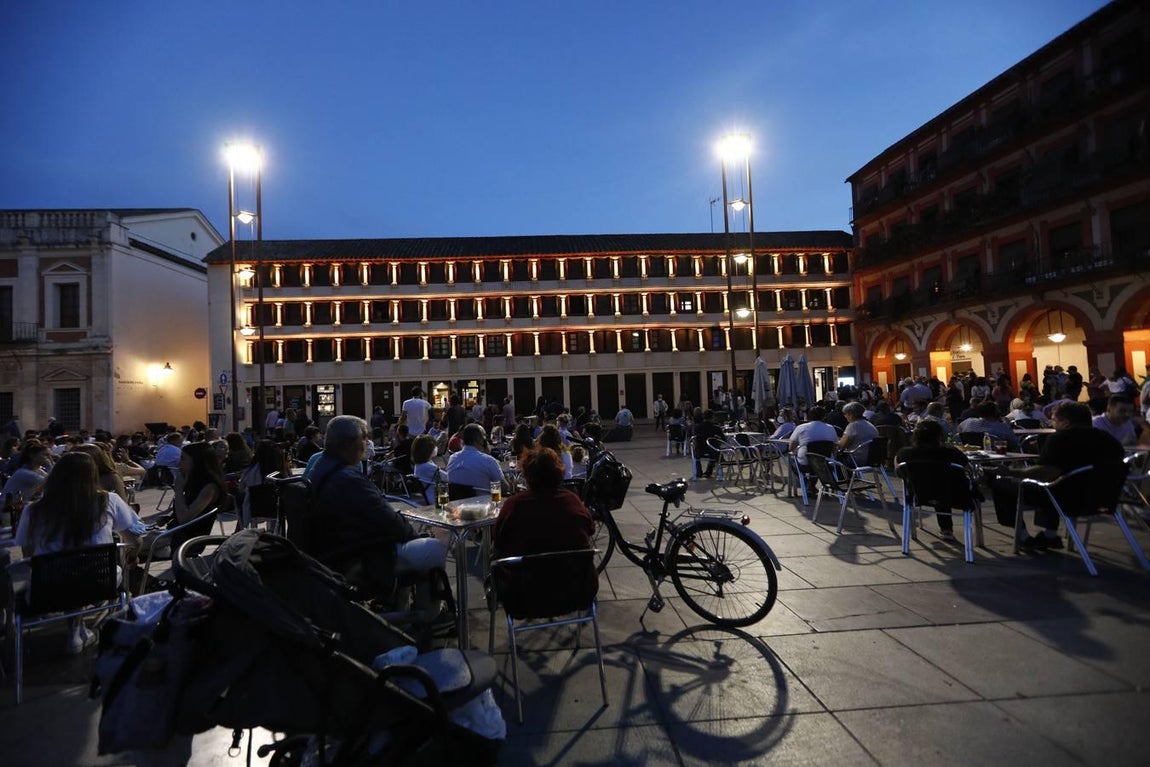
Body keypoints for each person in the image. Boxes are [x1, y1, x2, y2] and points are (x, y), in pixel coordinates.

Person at [13, 451, 145, 653]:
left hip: (48, 589)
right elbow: (135, 539)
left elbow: (29, 555)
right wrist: (132, 556)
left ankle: (75, 628)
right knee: (84, 573)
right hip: (99, 582)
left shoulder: (33, 510)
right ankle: (78, 629)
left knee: (64, 573)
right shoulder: (108, 501)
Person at [308, 416, 447, 598]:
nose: (367, 444)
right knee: (433, 547)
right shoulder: (349, 479)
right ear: (350, 444)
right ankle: (430, 612)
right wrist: (414, 536)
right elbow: (389, 521)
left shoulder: (318, 469)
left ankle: (401, 603)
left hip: (333, 549)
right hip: (357, 555)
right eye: (364, 438)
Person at [991, 402, 1126, 550]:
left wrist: (1011, 472)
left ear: (1065, 422)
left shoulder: (1060, 438)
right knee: (1055, 484)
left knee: (1003, 485)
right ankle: (1049, 535)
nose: (1052, 423)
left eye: (1054, 420)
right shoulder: (1110, 440)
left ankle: (1024, 536)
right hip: (1103, 499)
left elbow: (1046, 473)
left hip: (1066, 499)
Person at [493, 445, 595, 561]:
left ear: (527, 474)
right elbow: (590, 528)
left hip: (525, 575)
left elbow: (499, 539)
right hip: (573, 575)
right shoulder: (572, 501)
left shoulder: (514, 505)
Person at [895, 419, 970, 542]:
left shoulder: (905, 453)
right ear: (939, 435)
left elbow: (899, 472)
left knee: (933, 483)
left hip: (919, 494)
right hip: (955, 495)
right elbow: (967, 469)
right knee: (943, 483)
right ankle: (947, 529)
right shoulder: (952, 453)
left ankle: (946, 529)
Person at [238, 440, 289, 527]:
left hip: (253, 510)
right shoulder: (278, 472)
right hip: (275, 509)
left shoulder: (250, 470)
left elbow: (241, 488)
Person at [446, 424, 506, 494]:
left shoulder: (452, 459)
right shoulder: (488, 460)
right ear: (480, 440)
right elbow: (505, 488)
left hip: (458, 503)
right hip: (485, 503)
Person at [1, 440, 52, 505]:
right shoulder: (23, 473)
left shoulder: (38, 470)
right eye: (46, 455)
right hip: (7, 509)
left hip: (19, 506)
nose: (49, 458)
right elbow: (50, 483)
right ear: (32, 456)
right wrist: (49, 466)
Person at [693, 410, 726, 479]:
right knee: (715, 448)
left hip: (699, 450)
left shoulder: (697, 427)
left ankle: (699, 472)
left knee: (698, 451)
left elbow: (694, 437)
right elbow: (723, 439)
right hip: (713, 451)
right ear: (712, 417)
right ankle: (709, 471)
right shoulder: (716, 428)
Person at [410, 435, 442, 505]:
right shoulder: (429, 467)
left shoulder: (419, 465)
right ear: (428, 450)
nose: (436, 448)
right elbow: (450, 478)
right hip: (438, 499)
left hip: (429, 497)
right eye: (434, 446)